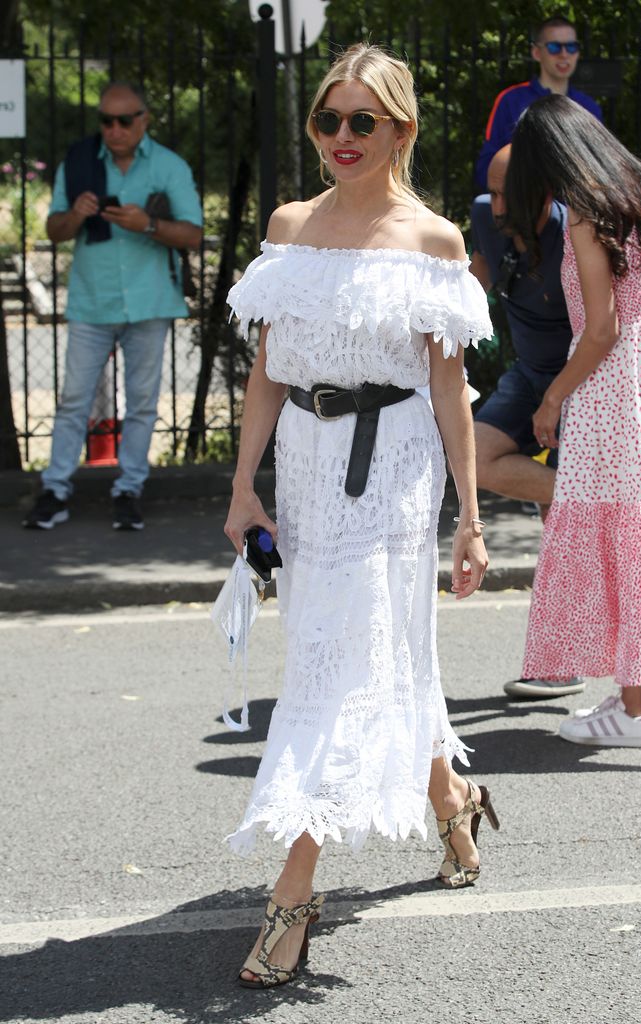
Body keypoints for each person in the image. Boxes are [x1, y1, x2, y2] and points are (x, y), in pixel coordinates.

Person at [223, 43, 498, 989]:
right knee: (368, 650)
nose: (340, 137)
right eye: (326, 120)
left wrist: (468, 518)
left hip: (393, 471)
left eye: (361, 122)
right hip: (302, 463)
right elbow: (267, 370)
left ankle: (293, 889)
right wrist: (241, 485)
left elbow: (450, 389)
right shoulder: (288, 226)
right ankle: (452, 799)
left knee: (339, 663)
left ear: (400, 130)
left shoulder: (433, 242)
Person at [505, 94, 641, 747]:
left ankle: (634, 713)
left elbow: (601, 327)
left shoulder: (583, 213)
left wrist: (552, 399)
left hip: (614, 384)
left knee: (614, 528)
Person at [23, 82, 202, 532]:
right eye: (106, 121)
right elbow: (54, 229)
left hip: (150, 300)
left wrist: (148, 224)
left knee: (142, 403)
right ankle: (56, 490)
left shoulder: (168, 166)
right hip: (92, 300)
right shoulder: (81, 162)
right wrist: (77, 215)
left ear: (144, 120)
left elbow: (193, 234)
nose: (114, 130)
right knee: (73, 401)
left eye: (124, 120)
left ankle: (129, 488)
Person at [470, 144, 585, 701]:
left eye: (504, 194)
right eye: (489, 190)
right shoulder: (482, 214)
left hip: (582, 384)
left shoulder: (576, 232)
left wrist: (559, 397)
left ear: (542, 195)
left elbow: (609, 324)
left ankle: (563, 664)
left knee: (558, 528)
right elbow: (482, 271)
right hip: (528, 373)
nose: (494, 207)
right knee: (474, 457)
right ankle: (589, 498)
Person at [475, 14, 602, 190]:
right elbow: (486, 170)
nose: (564, 54)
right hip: (521, 206)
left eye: (572, 47)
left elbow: (600, 170)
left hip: (574, 211)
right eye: (554, 47)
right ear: (536, 52)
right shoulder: (510, 100)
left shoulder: (589, 106)